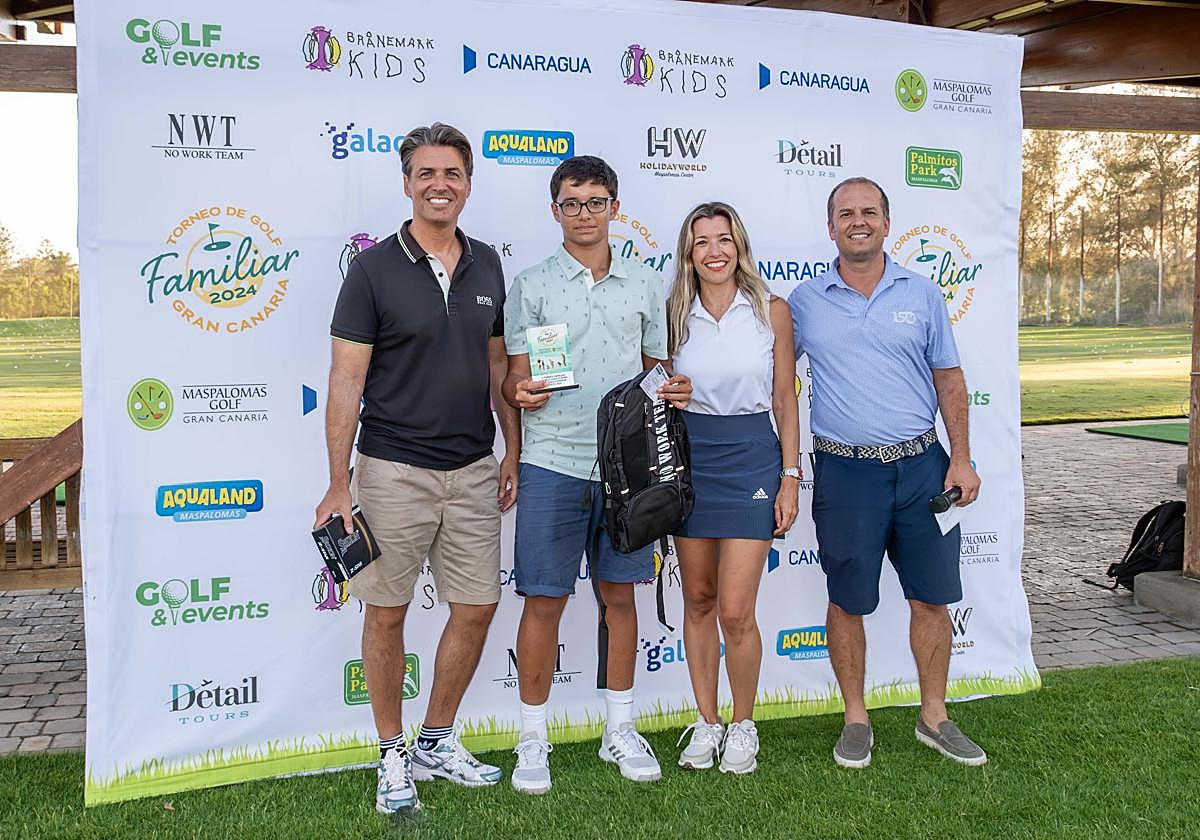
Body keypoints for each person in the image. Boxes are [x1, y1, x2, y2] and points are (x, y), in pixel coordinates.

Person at [314, 122, 521, 814]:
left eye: (453, 174)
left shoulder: (489, 263)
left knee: (478, 608)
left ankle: (435, 739)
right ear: (407, 183)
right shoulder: (372, 269)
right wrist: (339, 482)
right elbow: (345, 381)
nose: (440, 185)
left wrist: (511, 446)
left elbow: (497, 366)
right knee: (387, 614)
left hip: (471, 470)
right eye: (426, 174)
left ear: (468, 183)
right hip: (392, 472)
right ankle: (390, 753)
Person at [501, 155, 692, 795]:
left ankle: (620, 728)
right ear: (555, 210)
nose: (584, 213)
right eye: (571, 203)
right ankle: (533, 737)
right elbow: (511, 377)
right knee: (545, 601)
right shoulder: (529, 284)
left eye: (595, 201)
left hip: (627, 471)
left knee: (621, 597)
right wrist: (520, 390)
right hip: (552, 461)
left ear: (614, 206)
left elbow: (656, 375)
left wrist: (676, 390)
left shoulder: (644, 286)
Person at [787, 176, 984, 770]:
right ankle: (855, 718)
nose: (857, 221)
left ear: (886, 222)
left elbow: (949, 379)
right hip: (846, 473)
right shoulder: (803, 302)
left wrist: (962, 456)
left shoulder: (923, 295)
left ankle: (934, 715)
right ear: (830, 228)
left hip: (924, 469)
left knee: (931, 597)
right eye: (845, 213)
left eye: (868, 211)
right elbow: (771, 381)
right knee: (847, 601)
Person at [666, 202, 800, 775]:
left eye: (724, 239)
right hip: (690, 457)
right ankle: (707, 722)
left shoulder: (771, 311)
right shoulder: (673, 312)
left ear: (738, 245)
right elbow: (653, 386)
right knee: (697, 600)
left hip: (751, 459)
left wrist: (790, 478)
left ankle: (743, 725)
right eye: (702, 242)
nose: (714, 251)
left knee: (736, 608)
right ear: (688, 253)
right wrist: (670, 390)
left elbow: (785, 400)